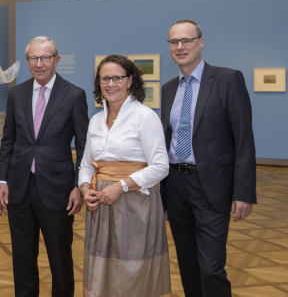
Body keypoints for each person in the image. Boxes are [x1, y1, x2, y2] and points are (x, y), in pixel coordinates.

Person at [161, 19, 256, 296]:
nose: (180, 47)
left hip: (212, 187)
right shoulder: (168, 89)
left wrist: (244, 193)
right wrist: (164, 196)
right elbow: (166, 142)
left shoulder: (228, 79)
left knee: (212, 268)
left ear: (200, 43)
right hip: (176, 186)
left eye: (187, 40)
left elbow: (244, 140)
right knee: (188, 265)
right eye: (174, 42)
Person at [0, 36, 89, 296]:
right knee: (22, 260)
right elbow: (8, 140)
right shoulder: (17, 93)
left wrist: (77, 186)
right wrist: (2, 181)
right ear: (27, 62)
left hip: (58, 191)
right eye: (33, 58)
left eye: (45, 58)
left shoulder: (74, 95)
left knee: (60, 259)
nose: (39, 64)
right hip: (19, 189)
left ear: (56, 60)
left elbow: (83, 147)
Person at [78, 55, 171, 297]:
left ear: (130, 81)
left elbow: (161, 166)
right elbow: (87, 163)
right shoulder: (96, 120)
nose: (111, 84)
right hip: (100, 206)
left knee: (133, 272)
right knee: (102, 271)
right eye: (105, 79)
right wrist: (85, 188)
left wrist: (120, 186)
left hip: (135, 204)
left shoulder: (144, 116)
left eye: (117, 78)